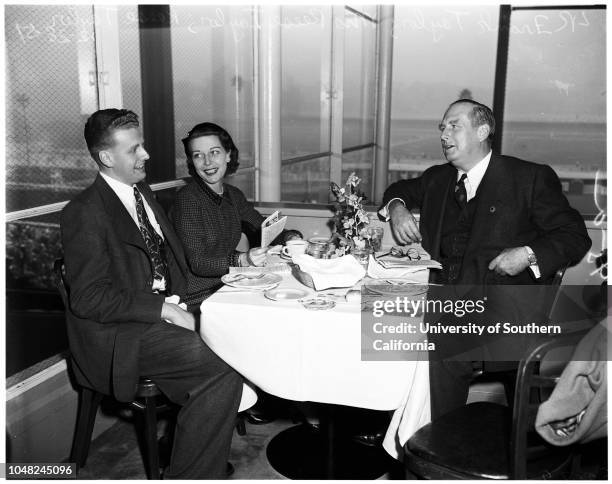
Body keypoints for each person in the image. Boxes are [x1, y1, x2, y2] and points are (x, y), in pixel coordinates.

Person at [60, 109, 243, 479]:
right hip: (123, 332)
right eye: (135, 149)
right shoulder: (83, 212)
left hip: (164, 311)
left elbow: (170, 261)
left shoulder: (140, 192)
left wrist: (195, 303)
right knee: (221, 366)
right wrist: (167, 310)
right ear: (107, 158)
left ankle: (195, 453)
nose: (145, 155)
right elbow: (89, 298)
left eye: (141, 145)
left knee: (240, 336)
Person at [380, 99, 591, 419]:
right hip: (444, 305)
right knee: (381, 322)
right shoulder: (438, 178)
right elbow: (399, 189)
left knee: (440, 347)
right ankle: (413, 431)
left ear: (482, 131)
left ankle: (443, 442)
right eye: (442, 127)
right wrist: (397, 207)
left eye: (454, 126)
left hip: (502, 313)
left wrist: (527, 254)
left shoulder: (528, 178)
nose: (444, 134)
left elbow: (575, 236)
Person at [172, 122, 301, 311]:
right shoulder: (187, 199)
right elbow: (199, 263)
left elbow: (262, 227)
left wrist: (291, 238)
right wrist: (243, 260)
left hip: (231, 284)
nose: (207, 162)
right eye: (198, 155)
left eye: (214, 152)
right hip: (199, 297)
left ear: (228, 155)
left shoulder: (232, 194)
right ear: (192, 161)